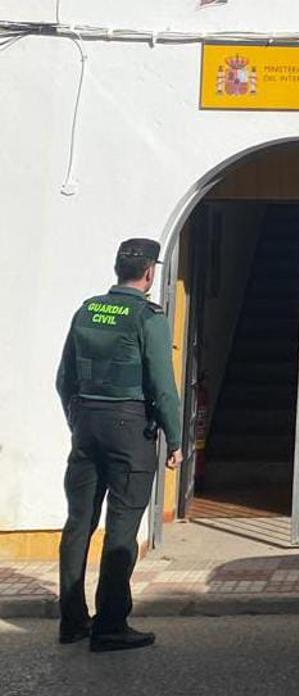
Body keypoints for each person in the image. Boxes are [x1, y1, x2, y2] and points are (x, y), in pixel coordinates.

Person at [55, 238, 182, 652]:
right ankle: (111, 624)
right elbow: (163, 386)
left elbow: (64, 378)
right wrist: (177, 438)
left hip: (86, 422)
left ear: (117, 269)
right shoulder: (148, 317)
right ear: (149, 273)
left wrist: (77, 417)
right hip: (129, 427)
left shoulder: (87, 308)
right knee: (123, 526)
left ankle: (72, 621)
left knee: (79, 523)